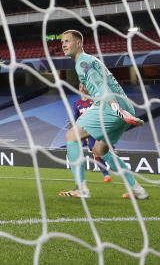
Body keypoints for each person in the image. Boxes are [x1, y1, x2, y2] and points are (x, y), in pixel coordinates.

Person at [58, 30, 148, 199]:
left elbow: (101, 87)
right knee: (100, 149)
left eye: (68, 41)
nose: (63, 44)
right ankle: (137, 190)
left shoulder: (82, 62)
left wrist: (115, 109)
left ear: (79, 43)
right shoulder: (92, 60)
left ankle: (81, 188)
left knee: (71, 136)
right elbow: (102, 85)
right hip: (126, 105)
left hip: (111, 107)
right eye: (62, 41)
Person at [72, 83, 111, 183]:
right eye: (80, 86)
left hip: (95, 130)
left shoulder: (93, 101)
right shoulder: (77, 104)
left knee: (99, 151)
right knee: (92, 151)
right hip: (84, 131)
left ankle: (108, 173)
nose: (82, 88)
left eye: (84, 86)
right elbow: (75, 119)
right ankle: (105, 175)